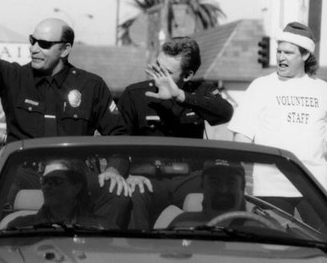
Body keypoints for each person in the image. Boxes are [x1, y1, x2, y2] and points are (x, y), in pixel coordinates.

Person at [0, 8, 131, 227]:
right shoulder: (14, 77)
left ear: (65, 49)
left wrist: (114, 169)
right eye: (32, 41)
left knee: (120, 197)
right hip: (24, 171)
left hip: (74, 174)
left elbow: (119, 135)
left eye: (44, 44)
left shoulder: (91, 86)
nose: (34, 49)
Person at [118, 36, 234, 229]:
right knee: (133, 195)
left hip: (189, 178)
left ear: (187, 75)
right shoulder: (134, 94)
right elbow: (118, 141)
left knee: (213, 199)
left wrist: (180, 96)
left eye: (166, 72)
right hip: (147, 177)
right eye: (156, 65)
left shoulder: (200, 91)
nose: (157, 74)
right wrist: (128, 173)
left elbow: (224, 112)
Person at [227, 22, 327, 214]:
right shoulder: (261, 86)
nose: (281, 57)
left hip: (316, 185)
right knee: (276, 244)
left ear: (305, 55)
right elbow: (241, 137)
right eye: (279, 51)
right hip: (271, 186)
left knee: (320, 242)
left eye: (288, 53)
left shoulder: (322, 89)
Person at [7, 159, 113, 229]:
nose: (48, 186)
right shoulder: (19, 227)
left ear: (76, 187)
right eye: (45, 180)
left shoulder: (100, 227)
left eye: (56, 181)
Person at [168, 159, 246, 227]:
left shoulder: (255, 229)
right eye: (214, 182)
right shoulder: (182, 225)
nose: (223, 190)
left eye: (231, 182)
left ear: (242, 188)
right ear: (202, 186)